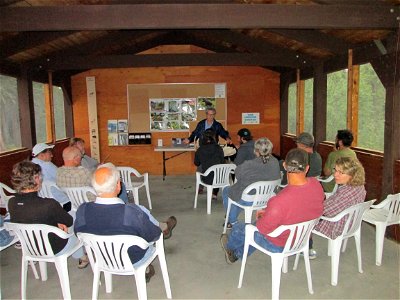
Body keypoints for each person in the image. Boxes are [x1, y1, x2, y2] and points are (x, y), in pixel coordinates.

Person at [220, 148, 324, 264]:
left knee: (241, 229)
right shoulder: (317, 185)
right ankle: (237, 254)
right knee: (257, 225)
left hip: (280, 243)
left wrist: (263, 216)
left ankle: (230, 247)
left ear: (284, 166)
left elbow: (263, 229)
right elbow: (301, 208)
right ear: (307, 168)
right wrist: (269, 212)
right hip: (302, 238)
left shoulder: (279, 201)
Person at [74, 163, 174, 282]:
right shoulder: (131, 212)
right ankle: (147, 265)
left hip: (102, 258)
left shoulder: (82, 210)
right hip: (133, 258)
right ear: (118, 186)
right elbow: (154, 235)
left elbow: (78, 233)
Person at [7, 161, 87, 268]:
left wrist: (55, 223)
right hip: (54, 247)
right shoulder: (49, 204)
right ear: (35, 179)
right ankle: (82, 257)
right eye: (40, 176)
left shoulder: (11, 202)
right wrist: (58, 223)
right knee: (75, 215)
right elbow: (68, 221)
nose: (41, 179)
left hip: (30, 248)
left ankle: (81, 256)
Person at [222, 137, 280, 227]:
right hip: (268, 197)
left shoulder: (249, 164)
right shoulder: (275, 162)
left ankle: (232, 221)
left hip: (250, 198)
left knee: (227, 190)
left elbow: (237, 175)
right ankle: (231, 218)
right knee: (239, 192)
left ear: (256, 151)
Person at [314, 157, 366, 240]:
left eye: (341, 172)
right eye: (335, 170)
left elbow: (324, 211)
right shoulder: (359, 186)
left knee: (303, 214)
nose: (335, 174)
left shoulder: (346, 193)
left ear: (352, 174)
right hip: (351, 221)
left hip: (336, 225)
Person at [31, 142, 70, 208]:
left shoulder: (29, 166)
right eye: (49, 153)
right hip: (61, 202)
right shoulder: (47, 165)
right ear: (41, 155)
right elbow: (65, 179)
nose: (52, 155)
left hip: (41, 202)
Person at [194, 129, 225, 199]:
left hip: (207, 179)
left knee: (200, 168)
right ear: (214, 138)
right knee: (217, 171)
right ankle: (215, 194)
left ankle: (200, 188)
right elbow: (222, 161)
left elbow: (196, 163)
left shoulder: (200, 150)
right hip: (220, 178)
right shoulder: (219, 148)